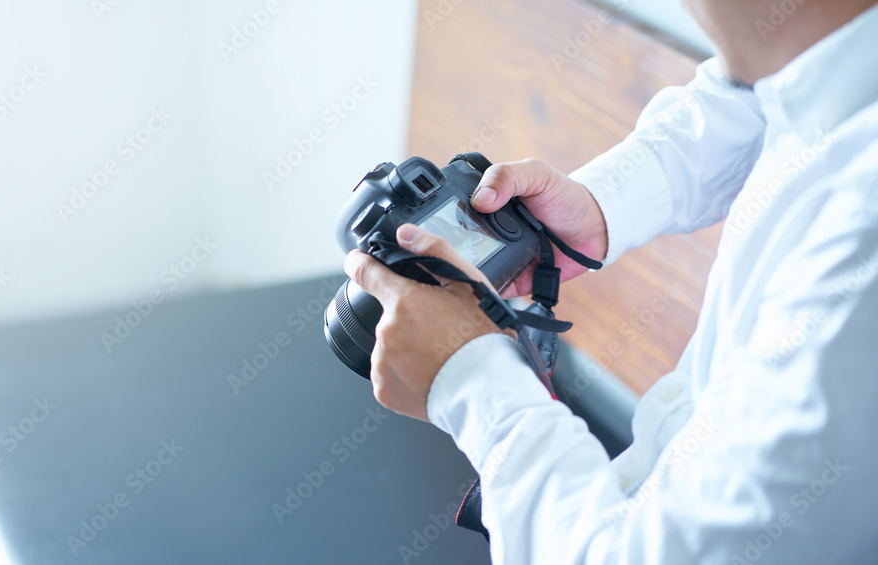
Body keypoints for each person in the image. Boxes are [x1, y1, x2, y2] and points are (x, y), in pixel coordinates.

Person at [344, 0, 878, 562]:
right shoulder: (826, 51)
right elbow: (764, 99)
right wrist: (601, 205)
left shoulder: (860, 260)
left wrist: (469, 379)